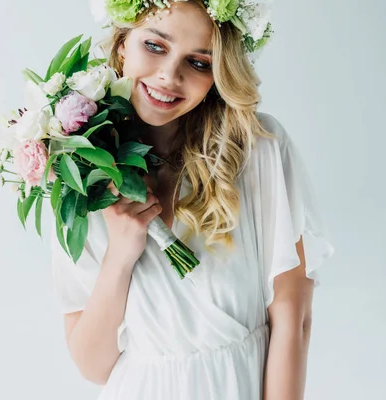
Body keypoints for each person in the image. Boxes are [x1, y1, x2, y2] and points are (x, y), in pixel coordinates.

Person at [50, 1, 335, 399]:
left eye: (199, 63)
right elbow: (94, 367)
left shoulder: (257, 152)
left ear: (219, 75)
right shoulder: (81, 174)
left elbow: (293, 316)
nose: (169, 76)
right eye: (154, 46)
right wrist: (120, 255)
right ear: (122, 45)